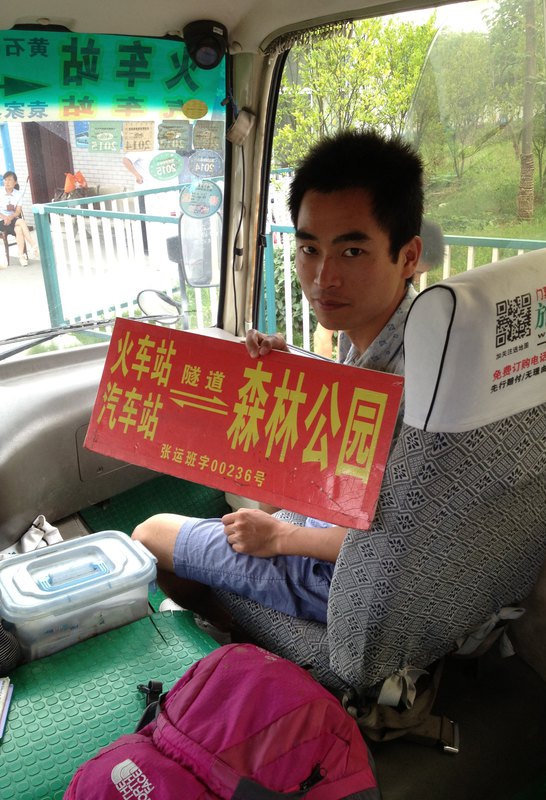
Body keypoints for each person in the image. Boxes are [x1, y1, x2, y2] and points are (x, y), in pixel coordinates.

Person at [132, 129, 424, 632]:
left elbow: (395, 541)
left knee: (151, 533)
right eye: (309, 248)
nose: (323, 278)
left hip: (338, 576)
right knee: (248, 490)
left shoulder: (414, 388)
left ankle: (236, 629)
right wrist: (297, 380)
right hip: (327, 521)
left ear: (409, 256)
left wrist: (280, 538)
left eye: (353, 252)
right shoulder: (393, 332)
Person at [313, 217, 445, 358]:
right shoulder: (357, 310)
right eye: (310, 249)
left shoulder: (422, 343)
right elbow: (322, 337)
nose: (323, 281)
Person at [0, 171, 39, 267]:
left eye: (10, 180)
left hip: (13, 219)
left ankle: (21, 256)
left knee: (18, 229)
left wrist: (10, 217)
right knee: (21, 222)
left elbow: (18, 211)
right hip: (1, 220)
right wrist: (5, 217)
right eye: (5, 180)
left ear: (15, 182)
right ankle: (33, 245)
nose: (7, 182)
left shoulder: (18, 194)